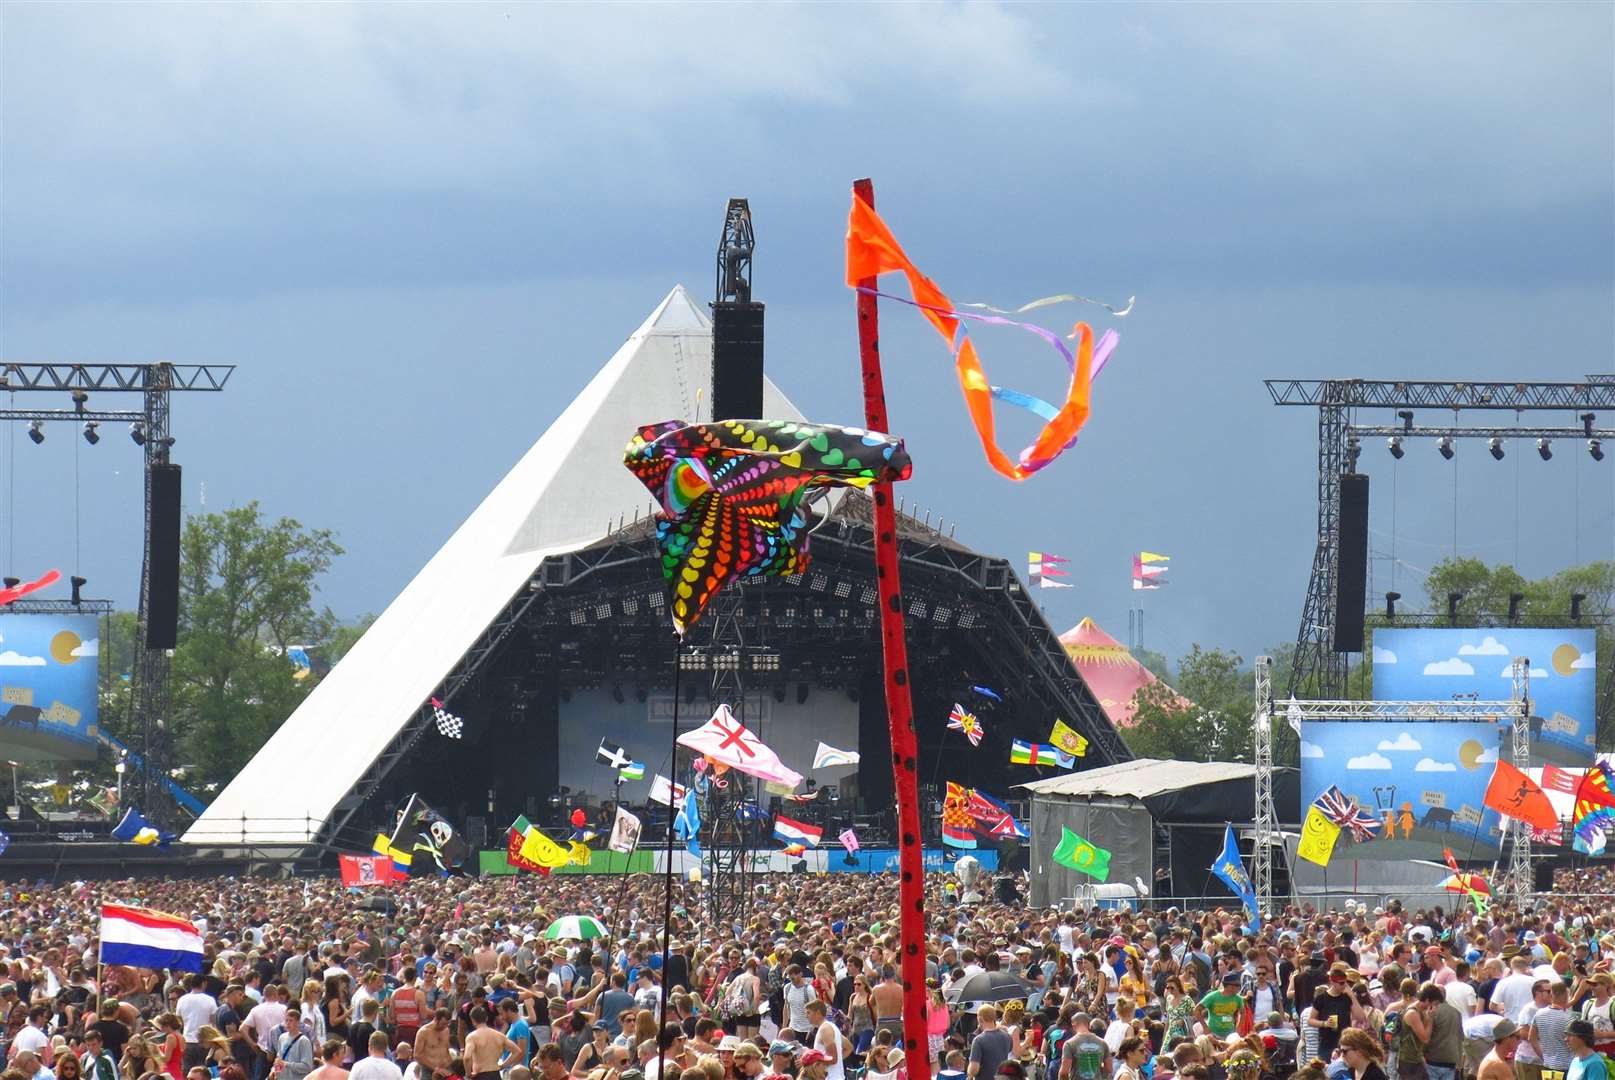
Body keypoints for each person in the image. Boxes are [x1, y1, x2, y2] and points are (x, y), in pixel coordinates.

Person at [463, 1008, 520, 1080]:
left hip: (480, 1074)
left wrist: (468, 1074)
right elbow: (517, 1051)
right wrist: (503, 1065)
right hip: (495, 1074)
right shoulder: (499, 1035)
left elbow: (467, 1057)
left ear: (472, 1020)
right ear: (486, 1018)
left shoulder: (472, 1037)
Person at [178, 977, 220, 1074]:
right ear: (204, 983)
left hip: (187, 1040)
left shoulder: (182, 1000)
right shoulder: (209, 1000)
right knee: (204, 1072)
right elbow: (214, 1020)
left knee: (188, 1072)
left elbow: (179, 1020)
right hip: (205, 1041)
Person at [968, 1006, 1013, 1080]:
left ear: (980, 1019)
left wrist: (969, 1071)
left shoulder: (978, 1040)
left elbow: (974, 1070)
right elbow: (1008, 1050)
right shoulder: (1007, 1036)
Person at [273, 1009, 316, 1080]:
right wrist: (276, 1072)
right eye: (286, 1020)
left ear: (298, 1022)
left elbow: (306, 1066)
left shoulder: (303, 1041)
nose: (288, 1023)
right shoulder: (282, 1037)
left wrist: (286, 1064)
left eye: (291, 1020)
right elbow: (279, 1059)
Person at [803, 1003, 842, 1080]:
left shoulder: (825, 1029)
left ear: (818, 1013)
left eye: (808, 1012)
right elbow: (848, 1048)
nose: (806, 1016)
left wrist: (809, 1061)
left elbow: (833, 1059)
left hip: (831, 1077)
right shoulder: (830, 1027)